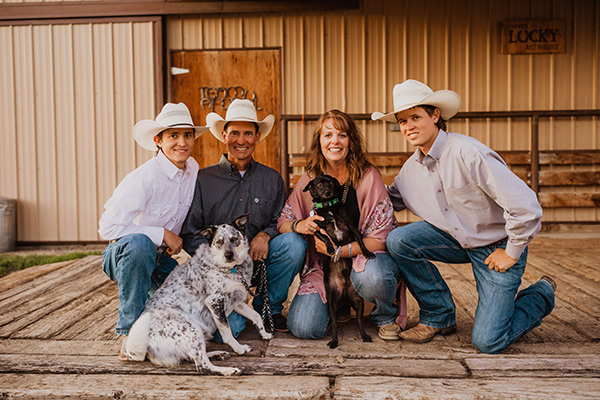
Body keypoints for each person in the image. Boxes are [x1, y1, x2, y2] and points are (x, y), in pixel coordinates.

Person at [372, 79, 556, 354]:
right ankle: (438, 316)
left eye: (415, 117)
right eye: (402, 121)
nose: (408, 126)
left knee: (488, 341)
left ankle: (541, 294)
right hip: (455, 240)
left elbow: (526, 205)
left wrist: (512, 251)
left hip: (498, 247)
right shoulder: (411, 169)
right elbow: (386, 201)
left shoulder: (469, 153)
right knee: (400, 240)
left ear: (435, 115)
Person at [180, 99, 304, 335]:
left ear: (257, 137)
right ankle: (232, 311)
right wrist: (216, 261)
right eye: (234, 133)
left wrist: (265, 235)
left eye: (248, 133)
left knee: (293, 244)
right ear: (224, 135)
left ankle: (269, 309)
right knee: (228, 330)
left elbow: (281, 219)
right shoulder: (204, 180)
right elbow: (191, 233)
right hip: (220, 271)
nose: (241, 140)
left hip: (260, 263)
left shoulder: (272, 179)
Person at [277, 109, 403, 341]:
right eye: (328, 135)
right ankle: (341, 306)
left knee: (373, 276)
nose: (334, 141)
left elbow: (381, 237)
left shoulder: (368, 177)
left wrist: (339, 251)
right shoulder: (310, 179)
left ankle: (384, 316)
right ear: (319, 142)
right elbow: (283, 223)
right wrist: (300, 225)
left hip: (363, 260)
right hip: (327, 271)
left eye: (342, 135)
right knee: (304, 327)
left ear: (351, 141)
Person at [98, 102, 208, 359]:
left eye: (187, 135)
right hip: (125, 256)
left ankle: (150, 304)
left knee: (194, 301)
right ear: (158, 140)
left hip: (160, 259)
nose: (182, 142)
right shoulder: (143, 178)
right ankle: (128, 333)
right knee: (140, 244)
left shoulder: (192, 169)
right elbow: (107, 227)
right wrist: (160, 233)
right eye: (173, 136)